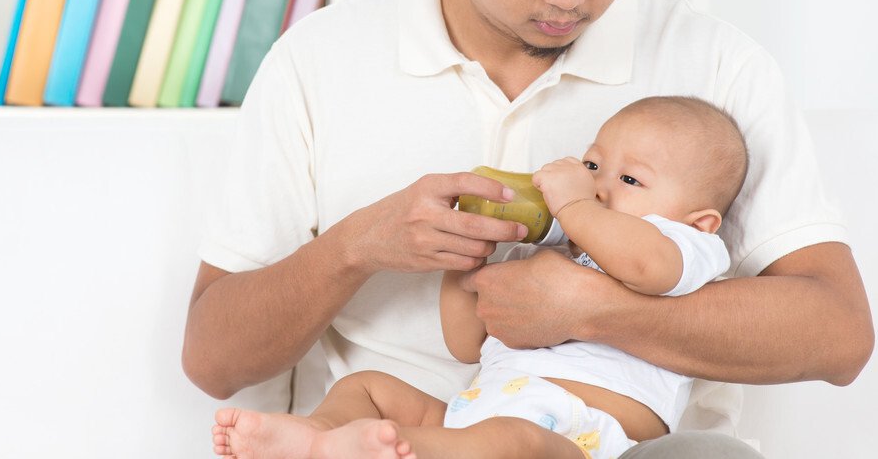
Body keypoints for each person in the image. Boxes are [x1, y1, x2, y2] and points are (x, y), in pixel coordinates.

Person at [183, 0, 874, 456]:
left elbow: (839, 335)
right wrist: (357, 246)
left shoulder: (717, 67)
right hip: (395, 432)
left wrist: (593, 309)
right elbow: (213, 361)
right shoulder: (317, 59)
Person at [210, 96, 747, 459]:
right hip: (476, 418)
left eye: (629, 179)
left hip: (580, 439)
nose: (599, 185)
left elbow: (646, 268)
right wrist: (466, 262)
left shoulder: (683, 247)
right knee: (366, 386)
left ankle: (383, 451)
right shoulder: (547, 253)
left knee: (516, 441)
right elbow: (467, 342)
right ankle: (320, 439)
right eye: (591, 166)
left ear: (699, 220)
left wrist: (576, 204)